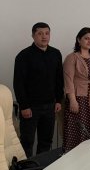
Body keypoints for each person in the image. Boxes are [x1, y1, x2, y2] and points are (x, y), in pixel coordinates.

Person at [13, 22, 64, 157]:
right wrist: (24, 106)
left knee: (46, 141)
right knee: (27, 141)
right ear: (33, 36)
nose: (44, 36)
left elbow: (59, 79)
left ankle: (42, 168)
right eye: (40, 33)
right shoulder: (24, 56)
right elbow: (18, 83)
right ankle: (27, 168)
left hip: (50, 106)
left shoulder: (55, 54)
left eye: (47, 33)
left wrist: (58, 100)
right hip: (30, 107)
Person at [63, 27, 90, 152]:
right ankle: (78, 155)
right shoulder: (72, 57)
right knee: (79, 128)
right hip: (79, 99)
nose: (89, 41)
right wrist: (72, 100)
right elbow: (68, 81)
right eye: (86, 38)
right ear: (79, 39)